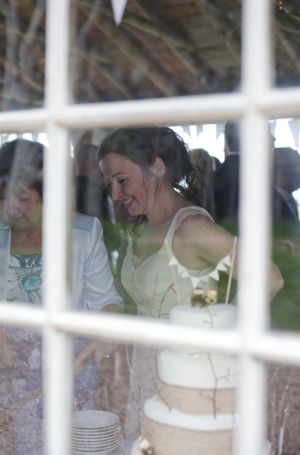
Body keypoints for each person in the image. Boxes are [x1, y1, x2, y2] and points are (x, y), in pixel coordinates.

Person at [98, 126, 284, 441]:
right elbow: (196, 290)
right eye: (109, 184)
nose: (115, 194)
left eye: (122, 180)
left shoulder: (192, 228)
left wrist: (217, 327)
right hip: (146, 371)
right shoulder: (143, 225)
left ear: (157, 167)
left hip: (187, 379)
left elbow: (270, 278)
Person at [0, 138, 123, 454]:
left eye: (23, 198)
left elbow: (108, 300)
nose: (10, 208)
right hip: (7, 383)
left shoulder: (82, 234)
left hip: (68, 379)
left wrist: (105, 333)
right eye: (2, 198)